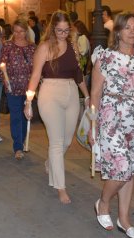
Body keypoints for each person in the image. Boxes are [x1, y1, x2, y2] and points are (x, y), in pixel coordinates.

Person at [89, 12, 134, 237]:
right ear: (117, 32)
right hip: (111, 118)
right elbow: (95, 94)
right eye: (127, 27)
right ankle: (103, 202)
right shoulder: (105, 57)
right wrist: (92, 125)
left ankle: (124, 220)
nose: (133, 31)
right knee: (121, 168)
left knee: (131, 169)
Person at [25, 11, 90, 204]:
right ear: (53, 29)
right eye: (59, 30)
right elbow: (35, 75)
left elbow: (78, 74)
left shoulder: (72, 46)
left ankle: (50, 163)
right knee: (56, 142)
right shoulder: (44, 47)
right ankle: (60, 187)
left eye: (66, 30)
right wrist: (28, 102)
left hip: (71, 91)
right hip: (50, 92)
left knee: (68, 141)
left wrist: (87, 96)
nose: (63, 34)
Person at [0, 19, 36, 159]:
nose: (18, 34)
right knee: (15, 115)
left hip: (28, 87)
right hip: (13, 86)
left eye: (21, 31)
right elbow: (1, 65)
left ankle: (22, 140)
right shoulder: (7, 46)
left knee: (25, 115)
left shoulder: (33, 47)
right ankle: (18, 146)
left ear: (26, 31)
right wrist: (5, 80)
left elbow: (37, 67)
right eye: (15, 31)